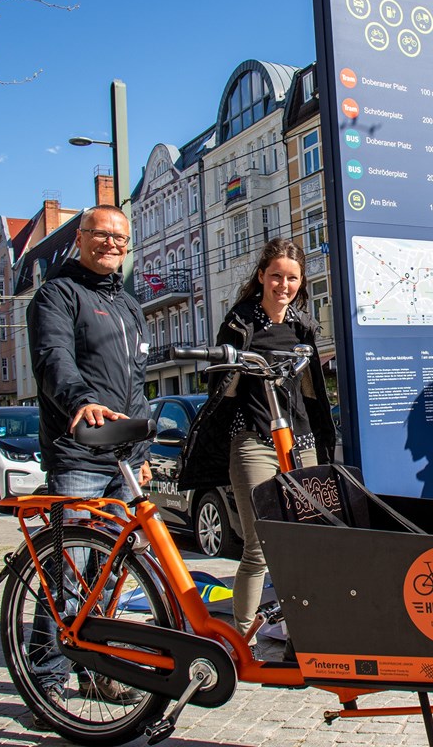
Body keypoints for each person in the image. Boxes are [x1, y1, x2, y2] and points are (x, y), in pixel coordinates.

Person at [25, 204, 152, 706]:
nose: (111, 244)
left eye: (120, 237)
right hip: (78, 454)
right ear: (81, 237)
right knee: (70, 572)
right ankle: (47, 680)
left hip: (122, 460)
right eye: (101, 234)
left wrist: (139, 451)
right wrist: (82, 403)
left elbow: (137, 385)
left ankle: (96, 669)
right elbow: (52, 360)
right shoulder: (57, 294)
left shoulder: (129, 304)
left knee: (111, 576)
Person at [180, 238, 335, 641]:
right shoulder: (240, 320)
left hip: (299, 441)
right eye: (276, 276)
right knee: (259, 546)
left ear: (301, 283)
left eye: (292, 279)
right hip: (252, 439)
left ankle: (304, 628)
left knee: (309, 540)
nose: (283, 285)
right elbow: (221, 388)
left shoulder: (303, 324)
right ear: (262, 277)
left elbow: (311, 392)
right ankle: (242, 639)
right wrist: (237, 365)